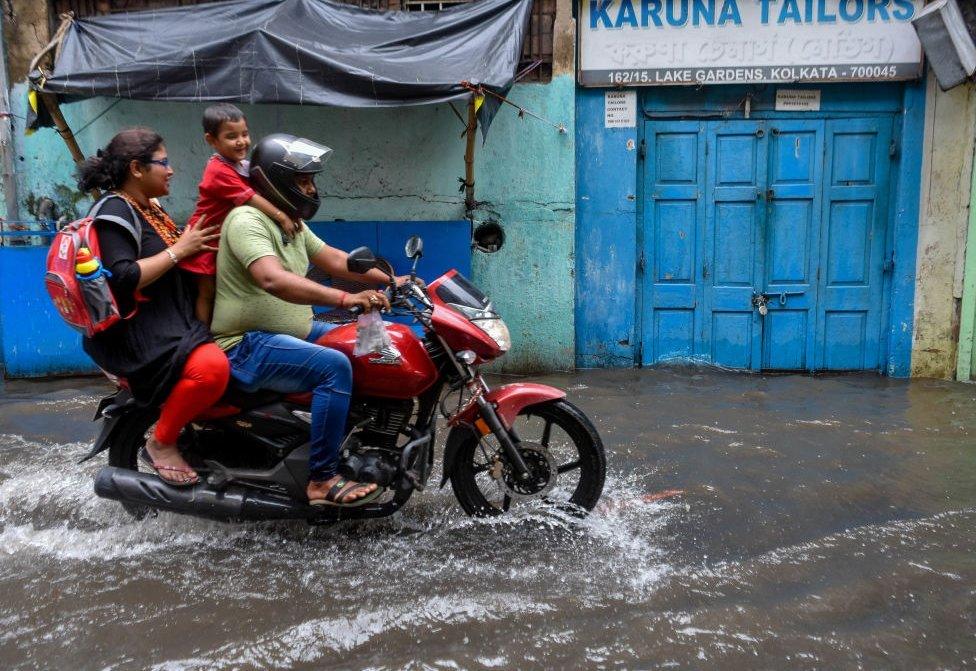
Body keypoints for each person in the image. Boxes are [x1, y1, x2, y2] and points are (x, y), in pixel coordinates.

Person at [211, 134, 402, 506]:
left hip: (293, 330)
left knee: (373, 347)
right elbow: (272, 278)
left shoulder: (291, 223)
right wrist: (348, 298)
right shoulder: (246, 220)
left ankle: (361, 442)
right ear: (275, 181)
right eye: (302, 181)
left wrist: (393, 281)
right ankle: (322, 478)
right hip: (246, 343)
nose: (310, 188)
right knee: (335, 366)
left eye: (311, 180)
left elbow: (332, 258)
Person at [77, 127, 229, 487]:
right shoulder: (114, 210)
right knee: (212, 369)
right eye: (164, 162)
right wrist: (182, 249)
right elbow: (125, 277)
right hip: (140, 334)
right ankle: (161, 443)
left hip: (173, 322)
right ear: (136, 169)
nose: (171, 170)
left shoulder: (149, 209)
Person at [179, 103, 301, 325]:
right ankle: (202, 337)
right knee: (208, 292)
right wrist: (281, 216)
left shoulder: (242, 165)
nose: (241, 141)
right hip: (207, 241)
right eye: (231, 136)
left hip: (226, 241)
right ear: (211, 140)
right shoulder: (218, 170)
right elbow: (251, 198)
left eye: (245, 134)